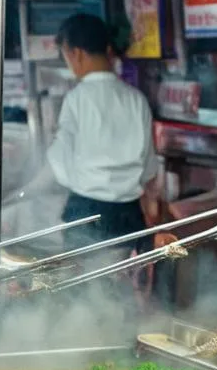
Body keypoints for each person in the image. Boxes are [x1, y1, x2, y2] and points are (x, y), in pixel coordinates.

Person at [23, 14, 157, 247]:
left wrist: (24, 193)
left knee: (84, 283)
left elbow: (58, 161)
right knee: (123, 281)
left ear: (74, 53)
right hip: (129, 217)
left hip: (87, 216)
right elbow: (149, 170)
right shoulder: (137, 99)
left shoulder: (77, 98)